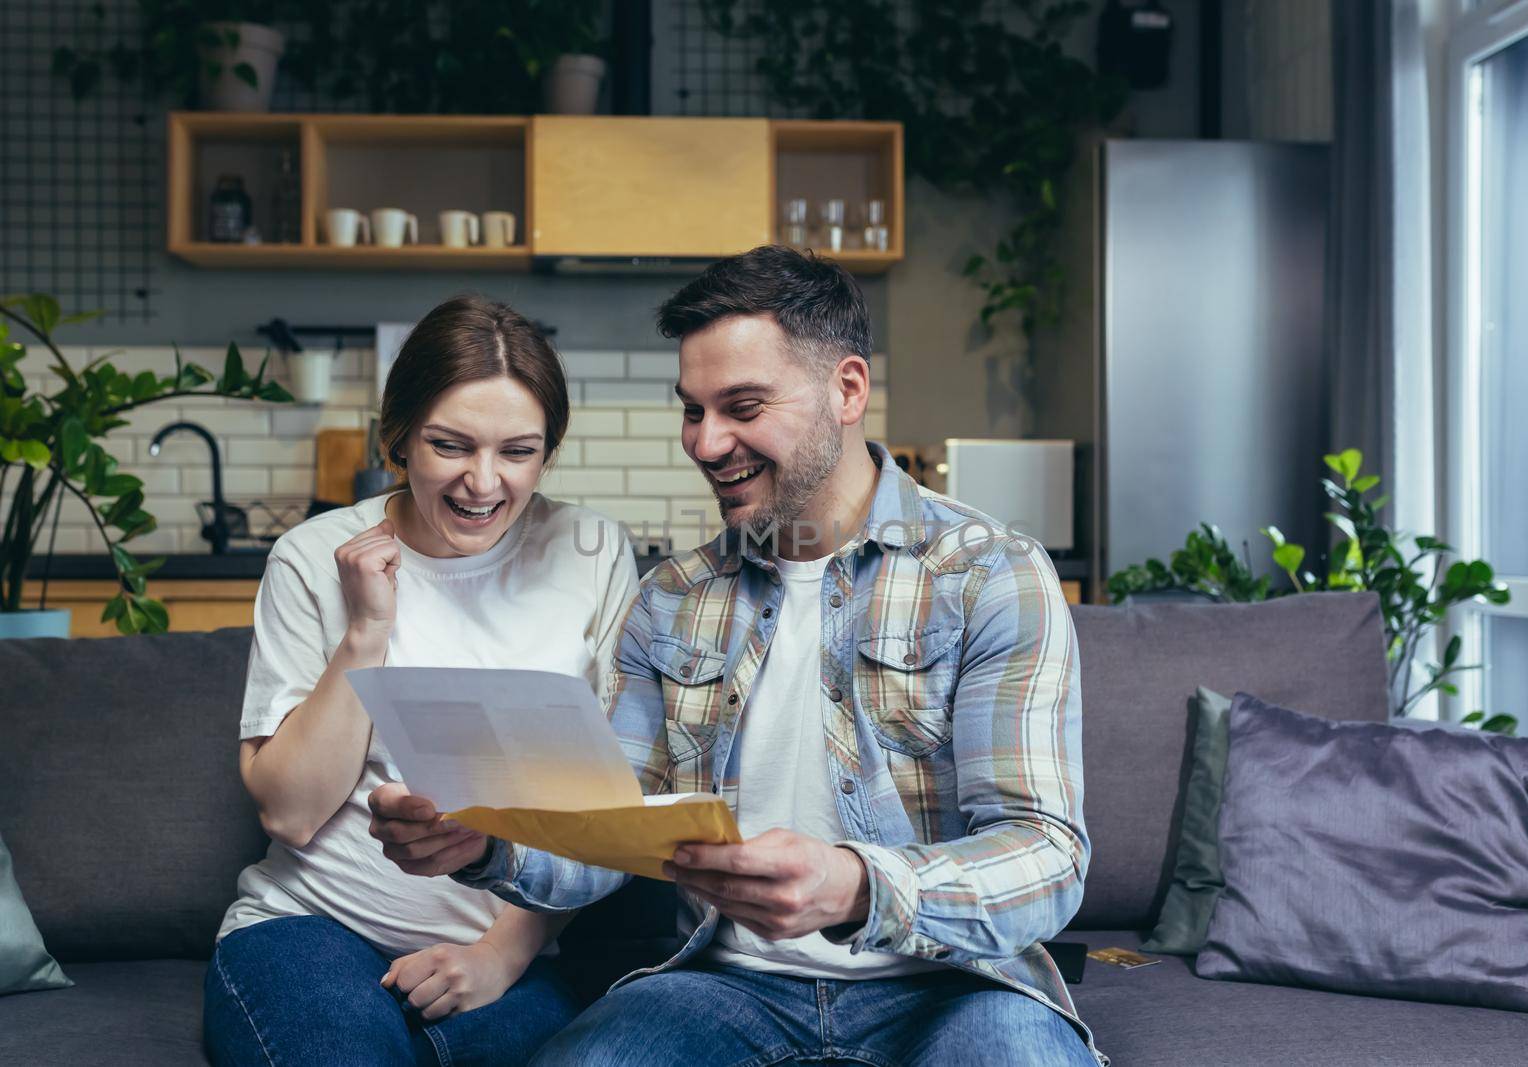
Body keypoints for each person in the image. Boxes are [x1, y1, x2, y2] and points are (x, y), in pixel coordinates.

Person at [369, 247, 1101, 1067]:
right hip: (726, 984)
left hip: (952, 984)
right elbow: (609, 829)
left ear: (847, 389)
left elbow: (1045, 854)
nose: (707, 442)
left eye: (742, 405)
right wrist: (486, 845)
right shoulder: (674, 597)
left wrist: (856, 886)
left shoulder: (989, 574)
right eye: (692, 410)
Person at [203, 295, 639, 1067]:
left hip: (508, 944)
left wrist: (501, 953)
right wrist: (367, 629)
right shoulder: (313, 556)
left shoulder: (593, 550)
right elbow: (292, 812)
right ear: (396, 437)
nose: (483, 481)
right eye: (451, 444)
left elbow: (606, 809)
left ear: (548, 451)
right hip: (314, 926)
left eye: (518, 451)